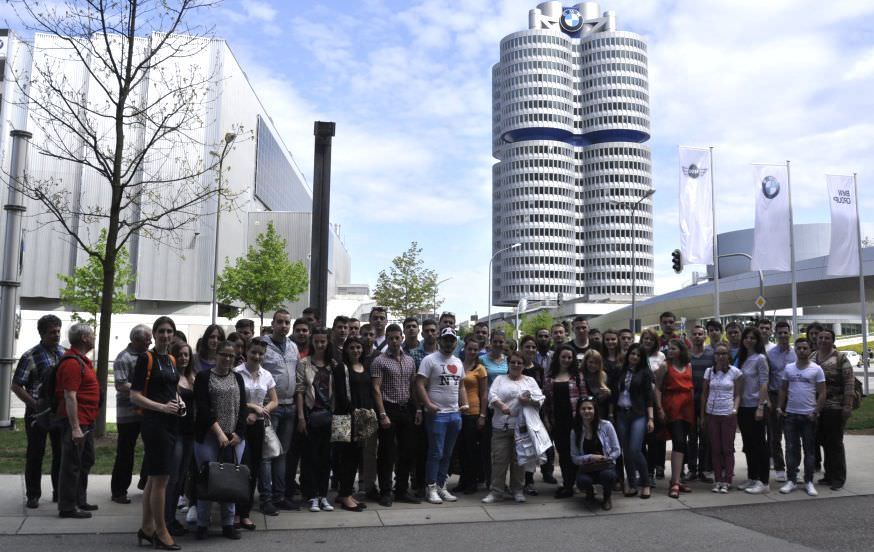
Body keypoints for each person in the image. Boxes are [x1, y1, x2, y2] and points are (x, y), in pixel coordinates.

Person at [130, 317, 184, 550]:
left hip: (171, 422)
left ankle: (147, 528)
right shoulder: (146, 358)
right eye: (161, 331)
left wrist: (180, 403)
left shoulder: (171, 359)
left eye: (169, 331)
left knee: (154, 477)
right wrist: (162, 407)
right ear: (154, 334)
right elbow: (134, 395)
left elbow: (171, 390)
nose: (165, 335)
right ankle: (162, 531)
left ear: (173, 334)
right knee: (162, 478)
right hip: (154, 424)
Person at [193, 340, 247, 540]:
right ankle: (202, 524)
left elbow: (242, 408)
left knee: (230, 482)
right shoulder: (203, 377)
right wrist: (219, 433)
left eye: (231, 356)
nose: (227, 359)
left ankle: (228, 524)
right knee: (207, 480)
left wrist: (238, 434)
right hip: (208, 437)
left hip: (234, 439)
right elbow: (203, 408)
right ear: (216, 354)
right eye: (224, 354)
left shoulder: (238, 378)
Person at [11, 314, 64, 509]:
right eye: (52, 332)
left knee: (60, 453)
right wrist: (35, 405)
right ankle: (33, 495)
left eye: (58, 331)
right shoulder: (30, 356)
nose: (56, 335)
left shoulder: (64, 353)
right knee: (36, 454)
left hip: (58, 413)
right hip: (37, 415)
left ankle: (59, 492)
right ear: (42, 333)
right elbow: (16, 386)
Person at [482, 351, 544, 503]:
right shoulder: (499, 379)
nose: (516, 365)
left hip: (522, 427)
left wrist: (527, 400)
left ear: (523, 365)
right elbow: (492, 395)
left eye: (519, 363)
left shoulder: (529, 381)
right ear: (508, 364)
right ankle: (496, 492)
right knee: (499, 460)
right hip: (501, 426)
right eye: (513, 362)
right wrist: (501, 405)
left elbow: (540, 398)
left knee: (519, 460)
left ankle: (517, 490)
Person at [416, 328, 468, 504]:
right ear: (440, 340)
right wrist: (428, 404)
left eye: (451, 340)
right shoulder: (429, 360)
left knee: (448, 453)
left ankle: (441, 486)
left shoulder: (458, 362)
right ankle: (430, 487)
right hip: (437, 415)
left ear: (456, 342)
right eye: (445, 340)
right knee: (435, 452)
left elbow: (461, 386)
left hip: (454, 414)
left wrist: (464, 403)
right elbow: (420, 384)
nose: (448, 343)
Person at [371, 324, 420, 506]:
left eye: (396, 338)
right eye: (390, 338)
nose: (393, 341)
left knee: (407, 451)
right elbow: (376, 389)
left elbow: (413, 386)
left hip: (406, 408)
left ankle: (401, 490)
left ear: (401, 338)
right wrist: (382, 414)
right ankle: (385, 491)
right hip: (388, 408)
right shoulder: (380, 361)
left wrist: (418, 409)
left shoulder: (410, 361)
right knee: (387, 453)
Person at [55, 323, 99, 520]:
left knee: (86, 460)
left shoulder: (83, 361)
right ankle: (67, 507)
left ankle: (79, 500)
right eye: (92, 334)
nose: (94, 337)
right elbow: (69, 396)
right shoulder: (72, 363)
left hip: (86, 421)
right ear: (84, 338)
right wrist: (75, 428)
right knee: (71, 464)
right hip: (76, 423)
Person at [235, 339, 278, 526]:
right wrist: (252, 407)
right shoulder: (236, 372)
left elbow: (274, 400)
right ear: (246, 351)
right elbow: (232, 399)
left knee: (253, 469)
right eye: (254, 352)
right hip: (239, 425)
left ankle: (244, 513)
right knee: (239, 468)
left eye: (261, 353)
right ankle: (232, 511)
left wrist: (263, 409)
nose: (257, 356)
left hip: (258, 427)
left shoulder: (266, 375)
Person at [260, 309, 299, 511]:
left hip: (289, 406)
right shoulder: (263, 346)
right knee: (267, 455)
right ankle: (266, 499)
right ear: (273, 323)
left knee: (282, 453)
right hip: (269, 407)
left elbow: (297, 373)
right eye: (280, 322)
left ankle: (279, 496)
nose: (284, 326)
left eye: (287, 322)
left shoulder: (293, 346)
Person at [776, 337, 825, 496]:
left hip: (808, 416)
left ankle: (809, 481)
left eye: (805, 348)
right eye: (799, 348)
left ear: (810, 350)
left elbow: (822, 392)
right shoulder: (789, 368)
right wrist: (779, 406)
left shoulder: (816, 369)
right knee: (791, 449)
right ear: (795, 350)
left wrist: (816, 411)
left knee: (809, 450)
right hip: (791, 415)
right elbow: (783, 390)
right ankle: (791, 480)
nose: (802, 351)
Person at [295, 327, 336, 513]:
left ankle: (323, 495)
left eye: (323, 341)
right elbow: (300, 391)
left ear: (328, 343)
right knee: (310, 457)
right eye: (317, 341)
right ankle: (311, 496)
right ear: (312, 342)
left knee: (326, 459)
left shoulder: (333, 364)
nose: (320, 345)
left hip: (330, 416)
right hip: (311, 415)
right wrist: (301, 417)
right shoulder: (304, 363)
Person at [111, 324, 152, 503]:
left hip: (146, 412)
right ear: (136, 340)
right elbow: (120, 384)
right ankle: (119, 491)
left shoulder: (147, 356)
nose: (150, 342)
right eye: (147, 339)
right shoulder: (124, 357)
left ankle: (146, 485)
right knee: (125, 452)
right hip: (128, 415)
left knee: (151, 450)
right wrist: (144, 390)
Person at [811, 328, 853, 490]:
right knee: (822, 441)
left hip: (834, 407)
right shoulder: (812, 356)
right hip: (816, 408)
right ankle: (828, 475)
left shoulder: (840, 358)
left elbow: (849, 382)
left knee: (834, 443)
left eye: (827, 338)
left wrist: (847, 405)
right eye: (820, 337)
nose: (822, 340)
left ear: (832, 340)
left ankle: (838, 477)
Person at [332, 337, 372, 511]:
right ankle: (346, 494)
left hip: (362, 418)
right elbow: (340, 394)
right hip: (345, 418)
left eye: (358, 347)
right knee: (346, 458)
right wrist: (353, 411)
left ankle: (344, 493)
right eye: (352, 347)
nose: (356, 350)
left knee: (356, 457)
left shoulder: (365, 367)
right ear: (346, 350)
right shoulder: (342, 368)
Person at [655, 339, 695, 498]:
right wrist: (659, 408)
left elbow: (691, 388)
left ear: (681, 350)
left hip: (687, 408)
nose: (669, 351)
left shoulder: (688, 366)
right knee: (678, 441)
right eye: (669, 349)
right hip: (672, 407)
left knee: (683, 442)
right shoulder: (665, 366)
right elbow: (657, 388)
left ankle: (676, 480)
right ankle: (676, 482)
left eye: (673, 348)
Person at [701, 342, 743, 493]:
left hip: (727, 414)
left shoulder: (735, 372)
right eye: (718, 353)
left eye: (724, 353)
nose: (720, 356)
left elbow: (738, 395)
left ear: (728, 356)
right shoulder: (709, 372)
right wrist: (702, 416)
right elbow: (704, 394)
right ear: (714, 356)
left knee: (727, 448)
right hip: (712, 414)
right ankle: (718, 479)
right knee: (715, 448)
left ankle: (728, 480)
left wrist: (734, 410)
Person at [613, 344, 654, 499]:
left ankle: (645, 483)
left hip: (638, 414)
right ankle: (631, 483)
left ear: (641, 358)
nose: (634, 357)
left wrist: (651, 419)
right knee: (626, 452)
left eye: (638, 355)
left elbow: (649, 397)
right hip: (622, 414)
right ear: (628, 355)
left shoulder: (645, 373)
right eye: (632, 354)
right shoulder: (620, 370)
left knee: (635, 450)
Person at [543, 344, 584, 498]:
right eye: (563, 357)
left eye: (569, 357)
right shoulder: (549, 378)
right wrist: (546, 420)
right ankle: (568, 483)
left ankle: (575, 483)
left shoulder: (578, 376)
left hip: (575, 421)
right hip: (557, 421)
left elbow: (584, 399)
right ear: (558, 358)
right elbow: (545, 402)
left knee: (576, 452)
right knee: (563, 453)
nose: (566, 360)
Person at [736, 327, 771, 494]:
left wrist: (760, 406)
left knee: (759, 445)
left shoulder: (760, 358)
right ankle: (752, 477)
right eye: (746, 337)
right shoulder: (743, 358)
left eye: (753, 338)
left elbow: (764, 383)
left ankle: (764, 482)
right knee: (748, 444)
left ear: (758, 341)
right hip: (742, 407)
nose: (749, 340)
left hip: (755, 407)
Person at [166, 340, 195, 536]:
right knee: (172, 478)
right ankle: (165, 520)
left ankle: (172, 518)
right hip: (174, 432)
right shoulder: (170, 377)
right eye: (180, 354)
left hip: (190, 433)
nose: (184, 358)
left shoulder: (191, 377)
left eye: (187, 354)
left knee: (181, 478)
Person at [571, 396, 621, 510]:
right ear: (579, 411)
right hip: (587, 467)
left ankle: (607, 497)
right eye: (583, 409)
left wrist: (606, 458)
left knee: (608, 475)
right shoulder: (575, 431)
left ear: (595, 410)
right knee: (583, 481)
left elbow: (617, 449)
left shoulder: (606, 425)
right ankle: (589, 494)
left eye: (590, 408)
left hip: (605, 466)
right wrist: (591, 457)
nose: (587, 411)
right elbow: (574, 457)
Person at [455, 336, 488, 495]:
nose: (472, 352)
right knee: (460, 449)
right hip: (458, 411)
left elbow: (484, 393)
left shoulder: (480, 369)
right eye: (470, 349)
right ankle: (463, 480)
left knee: (471, 450)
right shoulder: (458, 365)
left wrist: (482, 415)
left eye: (475, 349)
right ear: (464, 349)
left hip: (473, 413)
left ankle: (472, 482)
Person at [766, 321, 796, 483]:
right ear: (776, 335)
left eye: (786, 332)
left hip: (793, 397)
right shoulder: (770, 355)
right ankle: (779, 468)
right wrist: (768, 400)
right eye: (780, 333)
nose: (783, 335)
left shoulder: (796, 354)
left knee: (792, 435)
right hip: (775, 396)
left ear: (790, 333)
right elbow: (766, 378)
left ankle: (794, 468)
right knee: (774, 434)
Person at [687, 325, 714, 482]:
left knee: (705, 436)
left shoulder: (711, 355)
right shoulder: (686, 356)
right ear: (691, 337)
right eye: (694, 334)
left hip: (707, 401)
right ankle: (692, 469)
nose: (697, 336)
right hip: (689, 401)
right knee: (691, 437)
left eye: (700, 334)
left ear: (705, 337)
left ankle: (704, 469)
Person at [640, 328, 665, 483]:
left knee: (655, 438)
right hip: (640, 401)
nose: (647, 341)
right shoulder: (638, 355)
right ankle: (643, 470)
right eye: (645, 338)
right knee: (641, 439)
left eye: (651, 339)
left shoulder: (661, 356)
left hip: (656, 401)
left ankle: (655, 468)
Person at [581, 350, 612, 420]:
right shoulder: (580, 376)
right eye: (591, 362)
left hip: (601, 413)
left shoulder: (603, 375)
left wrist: (608, 393)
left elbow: (607, 399)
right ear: (585, 362)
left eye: (596, 363)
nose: (593, 365)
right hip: (584, 413)